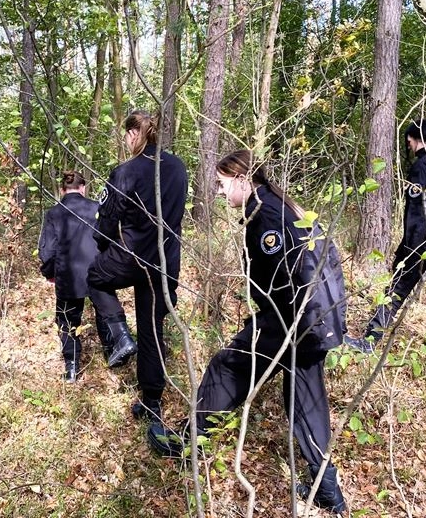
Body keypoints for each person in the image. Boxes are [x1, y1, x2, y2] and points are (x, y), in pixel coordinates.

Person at [148, 149, 347, 514]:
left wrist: (271, 326)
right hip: (316, 325)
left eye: (223, 185)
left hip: (292, 324)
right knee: (306, 402)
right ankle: (327, 490)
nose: (220, 193)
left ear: (243, 179)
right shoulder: (283, 206)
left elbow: (288, 280)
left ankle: (188, 442)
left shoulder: (267, 217)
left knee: (227, 365)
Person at [87, 110, 188, 430]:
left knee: (94, 277)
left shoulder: (125, 172)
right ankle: (152, 399)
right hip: (165, 262)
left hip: (130, 257)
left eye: (126, 135)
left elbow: (105, 222)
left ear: (134, 135)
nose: (126, 141)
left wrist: (103, 249)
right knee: (152, 327)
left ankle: (120, 336)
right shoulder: (178, 167)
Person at [344, 119, 426, 360]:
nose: (409, 145)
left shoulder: (422, 167)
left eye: (410, 139)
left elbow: (417, 214)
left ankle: (370, 341)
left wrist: (407, 250)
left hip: (423, 246)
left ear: (416, 139)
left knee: (396, 290)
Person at [38, 171, 118, 382]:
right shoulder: (96, 208)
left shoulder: (55, 213)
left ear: (62, 191)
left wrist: (50, 272)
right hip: (97, 271)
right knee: (104, 314)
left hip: (68, 275)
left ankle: (72, 368)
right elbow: (109, 240)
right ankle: (112, 355)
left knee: (67, 320)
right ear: (83, 188)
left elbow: (47, 249)